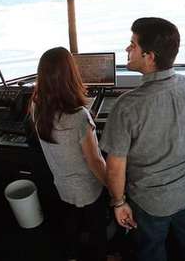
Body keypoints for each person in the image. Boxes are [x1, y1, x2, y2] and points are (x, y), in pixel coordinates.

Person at [101, 17, 185, 261]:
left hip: (151, 203)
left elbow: (115, 168)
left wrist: (118, 203)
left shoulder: (127, 106)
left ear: (149, 56)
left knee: (151, 250)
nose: (127, 49)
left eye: (132, 45)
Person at [31, 47, 109, 261]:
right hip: (88, 189)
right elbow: (95, 162)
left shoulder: (37, 106)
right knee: (97, 227)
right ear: (70, 74)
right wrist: (114, 189)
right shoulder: (79, 117)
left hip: (62, 185)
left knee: (71, 219)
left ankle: (71, 254)